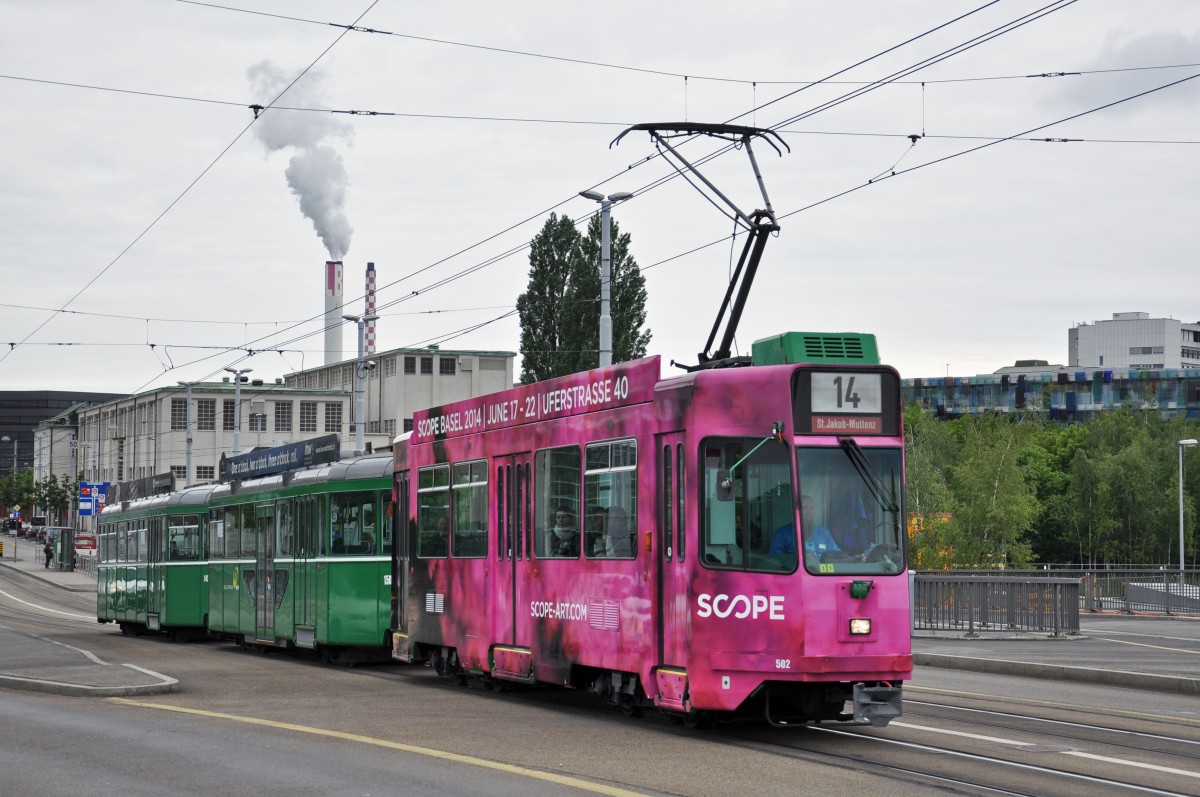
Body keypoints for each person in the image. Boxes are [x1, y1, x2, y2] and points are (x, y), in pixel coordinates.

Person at [769, 495, 840, 558]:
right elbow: (775, 560)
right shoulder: (782, 534)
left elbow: (838, 555)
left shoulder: (824, 533)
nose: (809, 511)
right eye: (805, 507)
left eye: (812, 508)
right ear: (796, 511)